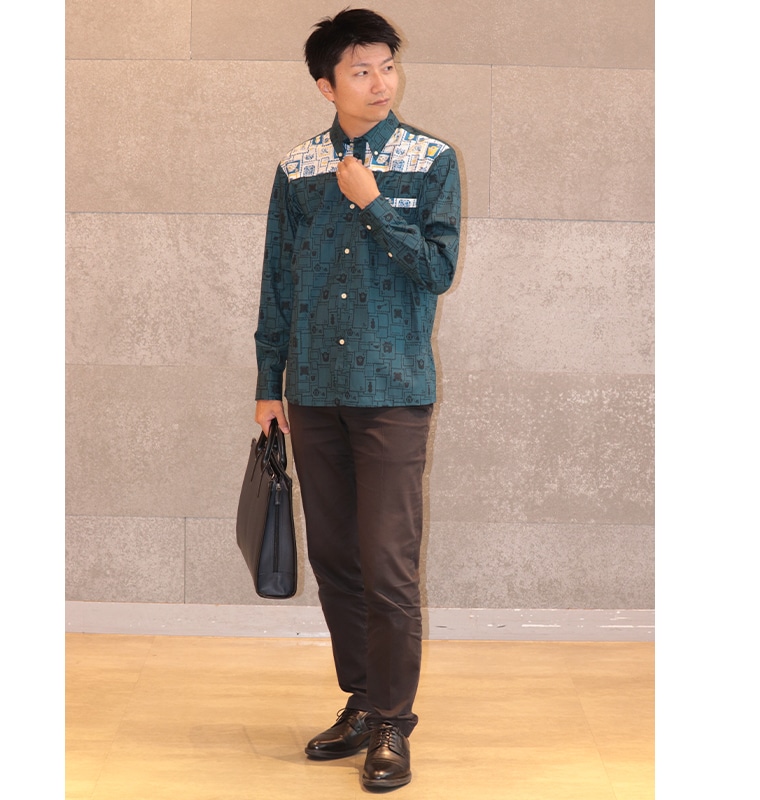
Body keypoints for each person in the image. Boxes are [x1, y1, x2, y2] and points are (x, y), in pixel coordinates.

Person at [253, 8, 461, 791]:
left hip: (393, 393)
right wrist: (267, 385)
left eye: (388, 67)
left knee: (389, 564)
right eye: (361, 71)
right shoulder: (298, 168)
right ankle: (363, 701)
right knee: (336, 558)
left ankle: (393, 724)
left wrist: (373, 203)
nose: (380, 83)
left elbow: (437, 272)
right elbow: (277, 283)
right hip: (312, 392)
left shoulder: (429, 161)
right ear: (326, 84)